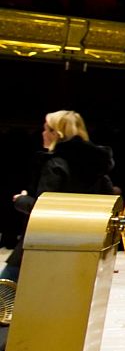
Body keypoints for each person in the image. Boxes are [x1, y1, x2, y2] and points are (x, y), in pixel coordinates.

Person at [2, 110, 117, 282]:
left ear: (56, 134)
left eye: (46, 129)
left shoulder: (55, 164)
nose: (42, 133)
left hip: (43, 243)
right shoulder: (97, 166)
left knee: (6, 292)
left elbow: (45, 210)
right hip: (83, 247)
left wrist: (21, 200)